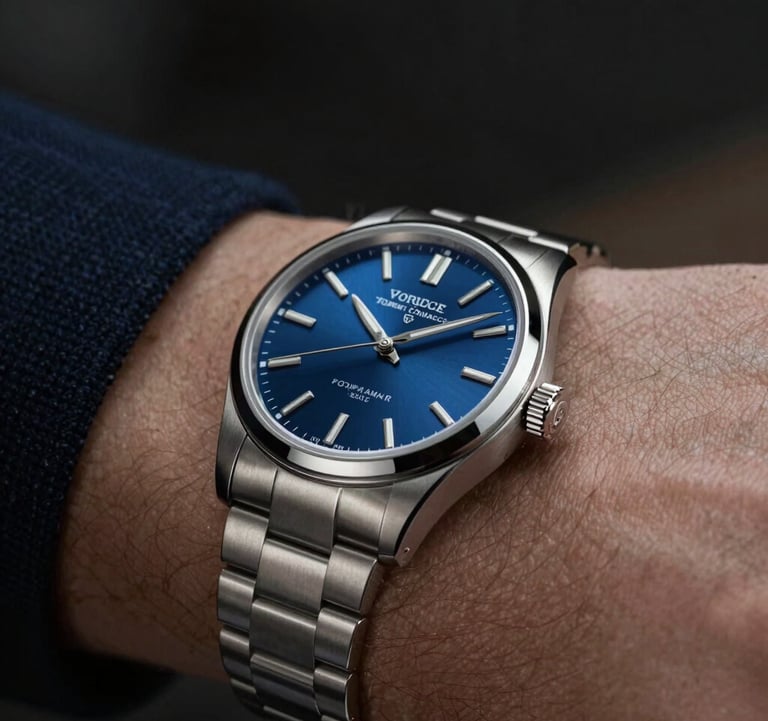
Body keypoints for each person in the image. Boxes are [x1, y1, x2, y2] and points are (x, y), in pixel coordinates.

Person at [2, 93, 767, 720]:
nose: (388, 347)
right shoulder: (340, 298)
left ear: (535, 406)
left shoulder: (504, 399)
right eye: (381, 333)